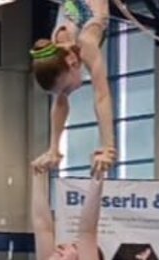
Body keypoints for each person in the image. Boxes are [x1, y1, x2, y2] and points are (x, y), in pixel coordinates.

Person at [30, 0, 115, 177]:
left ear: (72, 62)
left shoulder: (87, 44)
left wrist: (108, 148)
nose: (68, 91)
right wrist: (53, 149)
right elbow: (60, 103)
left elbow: (102, 96)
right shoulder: (57, 51)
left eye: (67, 87)